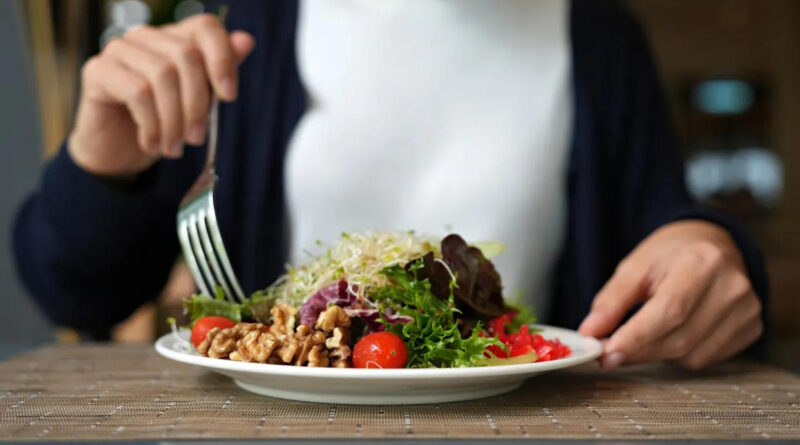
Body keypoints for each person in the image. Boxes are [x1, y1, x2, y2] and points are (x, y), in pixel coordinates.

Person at [13, 0, 766, 371]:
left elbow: (669, 230)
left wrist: (709, 242)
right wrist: (101, 160)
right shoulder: (252, 29)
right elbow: (78, 289)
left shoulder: (603, 39)